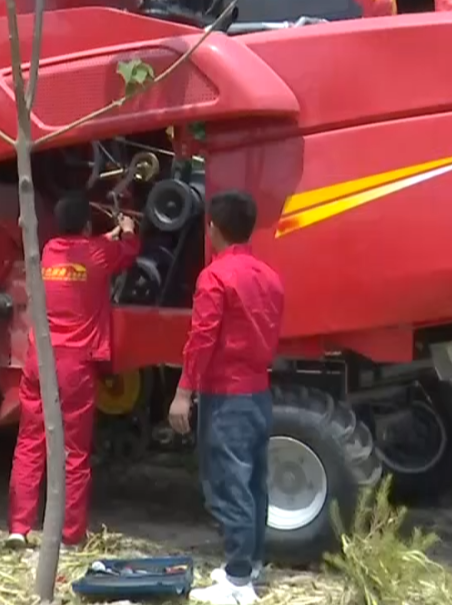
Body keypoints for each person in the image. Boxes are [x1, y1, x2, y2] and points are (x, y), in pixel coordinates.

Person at [167, 190, 284, 605]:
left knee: (228, 485)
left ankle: (236, 582)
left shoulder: (215, 277)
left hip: (226, 395)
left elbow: (202, 339)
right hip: (258, 392)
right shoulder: (269, 276)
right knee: (253, 484)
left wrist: (183, 393)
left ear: (212, 228)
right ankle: (249, 565)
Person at [6, 192, 140, 548]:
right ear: (86, 225)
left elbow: (86, 249)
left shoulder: (49, 251)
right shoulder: (99, 253)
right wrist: (127, 230)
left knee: (29, 445)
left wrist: (106, 236)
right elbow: (128, 252)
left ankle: (18, 527)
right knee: (74, 452)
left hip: (39, 360)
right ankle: (69, 534)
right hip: (74, 365)